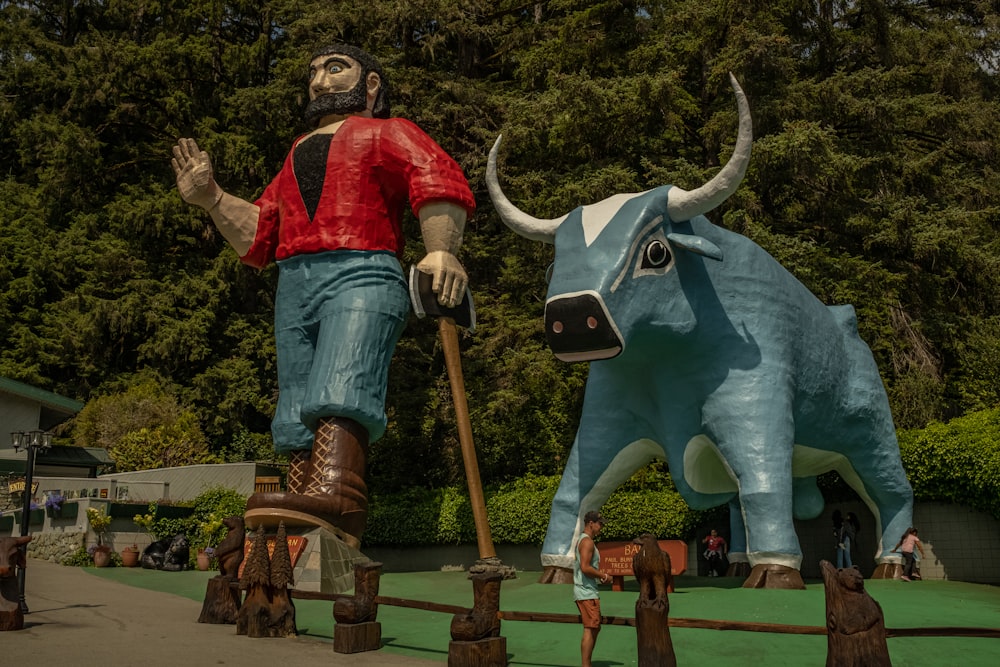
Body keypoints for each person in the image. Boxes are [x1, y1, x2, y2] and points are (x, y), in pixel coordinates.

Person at [171, 43, 476, 546]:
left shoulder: (389, 132)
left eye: (336, 69)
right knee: (294, 402)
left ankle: (339, 496)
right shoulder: (295, 153)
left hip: (362, 268)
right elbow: (260, 234)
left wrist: (441, 249)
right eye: (313, 71)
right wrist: (213, 199)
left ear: (371, 84)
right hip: (295, 281)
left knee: (344, 375)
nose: (319, 80)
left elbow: (434, 176)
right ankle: (301, 500)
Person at [575, 510, 610, 667]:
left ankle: (586, 664)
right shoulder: (587, 542)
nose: (601, 526)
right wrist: (603, 575)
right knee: (590, 628)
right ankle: (585, 665)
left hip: (587, 590)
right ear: (591, 523)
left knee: (594, 627)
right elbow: (585, 567)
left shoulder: (586, 541)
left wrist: (598, 576)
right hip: (585, 592)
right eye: (600, 523)